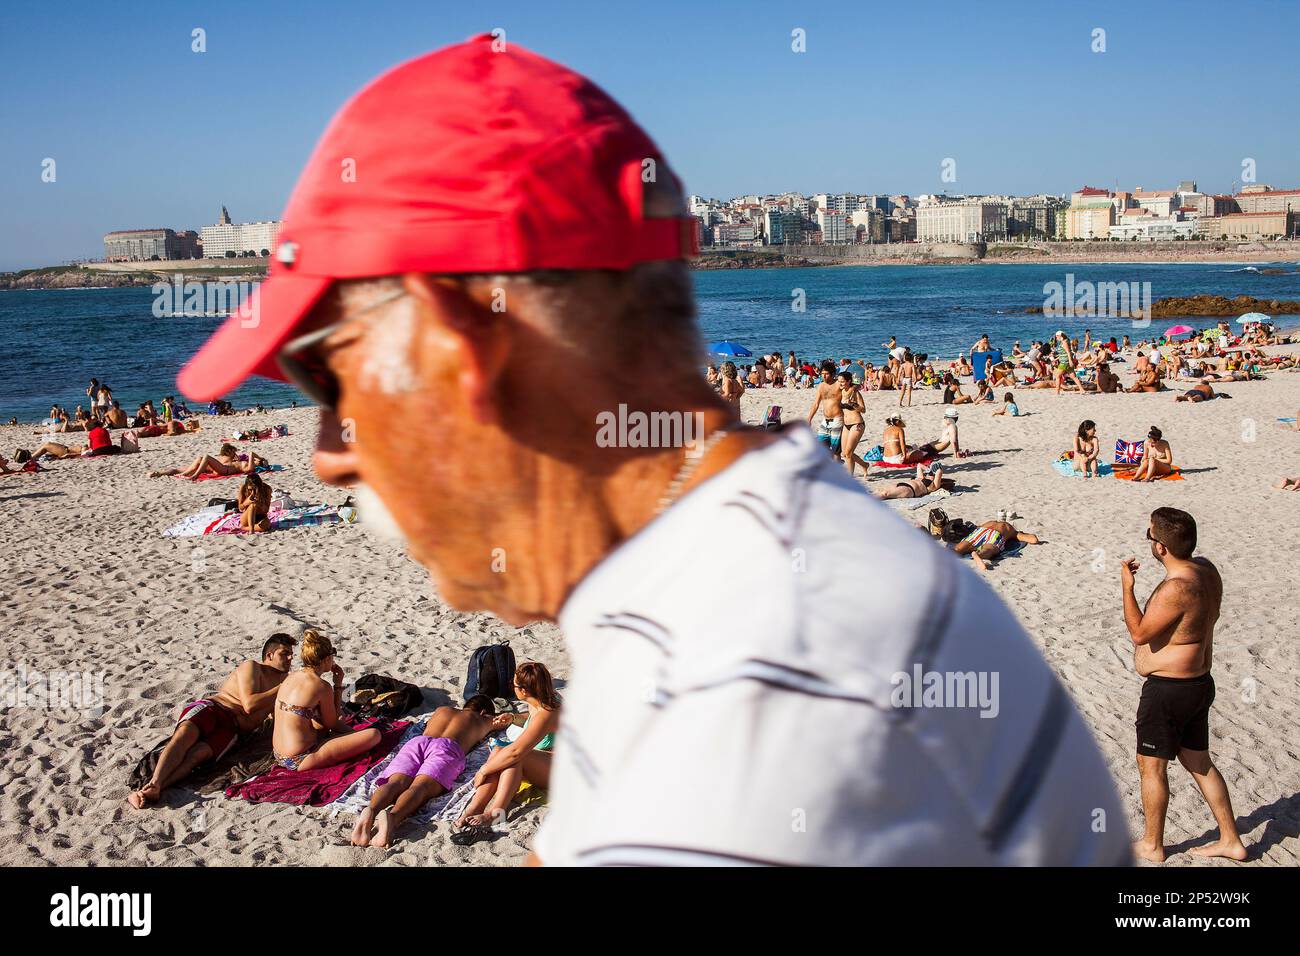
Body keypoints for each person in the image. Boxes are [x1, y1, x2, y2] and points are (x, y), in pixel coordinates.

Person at [176, 36, 1129, 865]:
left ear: (455, 350)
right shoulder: (743, 580)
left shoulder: (756, 692)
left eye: (334, 385)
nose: (331, 456)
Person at [1122, 508, 1247, 863]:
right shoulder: (1207, 570)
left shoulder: (1175, 588)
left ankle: (1152, 845)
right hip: (1199, 684)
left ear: (1160, 548)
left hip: (1169, 691)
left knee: (1151, 765)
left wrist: (1127, 588)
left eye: (1150, 536)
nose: (1149, 541)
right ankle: (1231, 840)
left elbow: (1139, 633)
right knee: (1199, 762)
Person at [128, 634, 296, 808]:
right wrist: (284, 687)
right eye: (284, 653)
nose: (290, 658)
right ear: (269, 655)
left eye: (292, 654)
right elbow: (249, 704)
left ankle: (156, 788)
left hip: (233, 729)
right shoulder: (253, 667)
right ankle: (154, 782)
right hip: (215, 708)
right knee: (184, 736)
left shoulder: (285, 682)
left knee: (198, 755)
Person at [351, 694, 514, 847]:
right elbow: (511, 719)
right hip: (447, 748)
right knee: (420, 788)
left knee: (396, 782)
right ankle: (392, 819)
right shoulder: (483, 718)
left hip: (418, 742)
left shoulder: (442, 710)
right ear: (484, 711)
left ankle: (371, 810)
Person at [456, 662, 561, 836]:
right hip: (549, 757)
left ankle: (495, 814)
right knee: (498, 751)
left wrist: (484, 769)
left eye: (513, 685)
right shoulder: (541, 698)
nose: (512, 688)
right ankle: (476, 807)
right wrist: (513, 718)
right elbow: (532, 720)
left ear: (524, 690)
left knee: (515, 758)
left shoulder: (548, 712)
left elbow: (516, 752)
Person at [271, 630, 383, 771]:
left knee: (329, 726)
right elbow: (333, 722)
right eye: (332, 655)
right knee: (374, 735)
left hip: (279, 753)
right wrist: (338, 686)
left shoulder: (291, 677)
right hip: (301, 758)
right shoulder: (321, 686)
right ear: (326, 659)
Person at [953, 518, 1042, 571]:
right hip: (995, 535)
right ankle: (978, 554)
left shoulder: (990, 522)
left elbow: (974, 528)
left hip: (979, 532)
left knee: (957, 549)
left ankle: (944, 555)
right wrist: (1023, 534)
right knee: (989, 549)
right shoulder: (1011, 531)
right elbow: (1034, 540)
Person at [150, 443, 266, 479]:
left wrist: (259, 459)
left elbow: (251, 455)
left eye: (256, 460)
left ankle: (195, 475)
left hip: (224, 470)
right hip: (221, 468)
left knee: (206, 457)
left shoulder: (250, 466)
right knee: (199, 459)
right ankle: (159, 473)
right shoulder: (241, 461)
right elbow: (243, 456)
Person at [807, 361, 843, 459]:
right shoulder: (821, 386)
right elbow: (816, 404)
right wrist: (809, 419)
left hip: (838, 419)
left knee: (835, 451)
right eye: (822, 374)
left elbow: (851, 388)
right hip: (825, 420)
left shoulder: (839, 384)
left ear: (832, 374)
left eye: (826, 374)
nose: (824, 376)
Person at [837, 370, 868, 476]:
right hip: (846, 425)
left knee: (848, 453)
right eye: (839, 381)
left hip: (857, 424)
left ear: (849, 381)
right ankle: (864, 465)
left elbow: (863, 409)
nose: (840, 383)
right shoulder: (841, 391)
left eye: (842, 381)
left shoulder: (855, 392)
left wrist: (854, 404)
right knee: (845, 453)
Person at [873, 463, 954, 500]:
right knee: (880, 490)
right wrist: (929, 470)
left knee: (885, 494)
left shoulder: (934, 486)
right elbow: (919, 465)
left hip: (910, 490)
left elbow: (939, 471)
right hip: (903, 484)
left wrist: (934, 470)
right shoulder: (921, 477)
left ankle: (868, 504)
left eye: (933, 475)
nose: (931, 475)